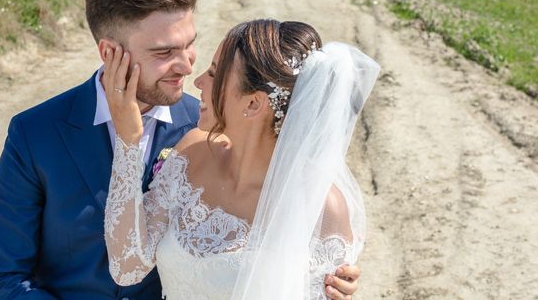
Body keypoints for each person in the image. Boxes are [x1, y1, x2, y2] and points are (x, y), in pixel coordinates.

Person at [0, 0, 361, 299]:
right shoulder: (35, 133)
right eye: (164, 53)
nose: (187, 68)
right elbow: (1, 280)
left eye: (189, 45)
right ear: (110, 53)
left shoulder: (210, 124)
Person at [103, 19, 380, 300]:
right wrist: (129, 143)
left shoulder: (321, 205)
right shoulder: (192, 154)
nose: (198, 81)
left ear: (253, 104)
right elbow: (128, 267)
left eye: (214, 74)